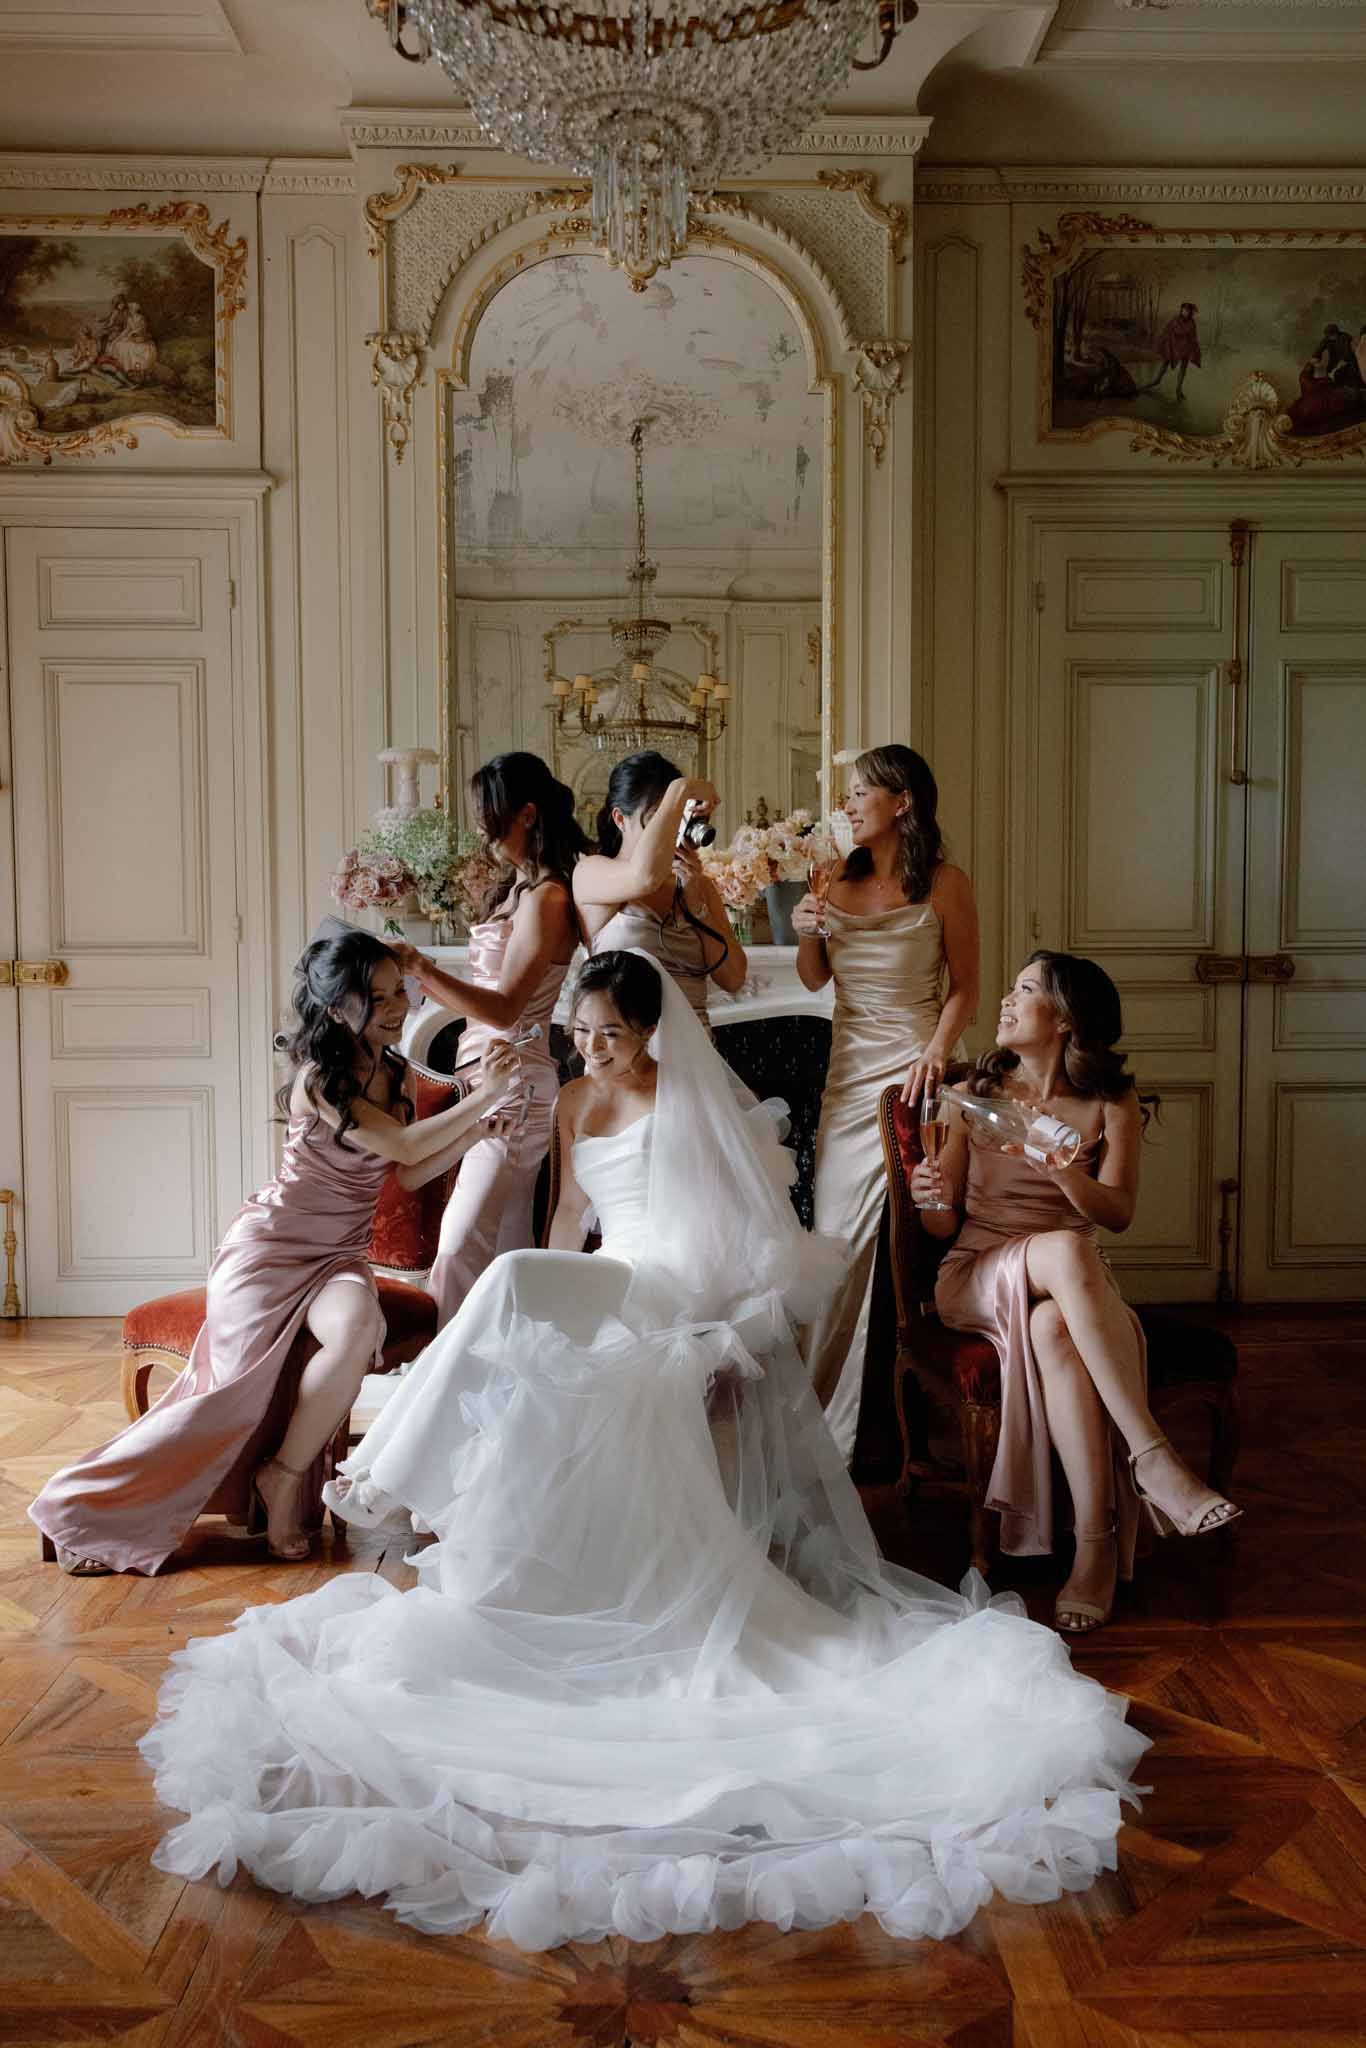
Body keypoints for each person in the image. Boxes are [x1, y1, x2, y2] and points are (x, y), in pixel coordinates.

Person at [140, 949, 1149, 1952]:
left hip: (679, 1289)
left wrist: (725, 1333)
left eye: (608, 1034)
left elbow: (749, 1231)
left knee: (510, 1290)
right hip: (615, 1273)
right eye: (578, 1034)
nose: (590, 1048)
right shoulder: (577, 1101)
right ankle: (413, 1476)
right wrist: (577, 1286)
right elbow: (575, 1219)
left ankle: (392, 1462)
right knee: (522, 1287)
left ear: (650, 1030)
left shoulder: (691, 1098)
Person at [28, 932, 516, 1575]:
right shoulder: (319, 1080)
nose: (399, 1005)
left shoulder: (395, 1072)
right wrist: (479, 1096)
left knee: (356, 1330)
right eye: (379, 996)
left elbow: (414, 1171)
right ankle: (86, 1506)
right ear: (337, 1006)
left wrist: (480, 1129)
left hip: (338, 1255)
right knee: (224, 1391)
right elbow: (400, 1145)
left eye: (400, 990)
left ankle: (282, 1478)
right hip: (269, 1249)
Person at [920, 951, 1241, 1636]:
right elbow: (941, 1224)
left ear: (1064, 1020)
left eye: (1025, 990)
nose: (1005, 1000)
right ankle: (1153, 1457)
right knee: (1068, 1248)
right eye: (1009, 987)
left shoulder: (1110, 1101)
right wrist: (929, 1195)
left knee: (1053, 1331)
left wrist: (1062, 1173)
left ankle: (1093, 1550)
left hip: (1071, 1292)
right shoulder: (976, 1090)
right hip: (977, 1271)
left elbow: (1117, 1212)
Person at [792, 745, 980, 1461]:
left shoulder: (945, 884)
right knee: (838, 1239)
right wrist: (807, 928)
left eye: (859, 791)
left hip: (918, 1071)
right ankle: (828, 1422)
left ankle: (904, 1420)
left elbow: (966, 985)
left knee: (912, 1240)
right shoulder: (834, 876)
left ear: (902, 801)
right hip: (849, 1076)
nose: (847, 804)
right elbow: (813, 980)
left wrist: (936, 1051)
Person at [389, 752, 586, 1325]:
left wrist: (422, 968)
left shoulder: (549, 898)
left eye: (489, 814)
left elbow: (505, 1008)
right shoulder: (517, 892)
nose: (481, 828)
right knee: (505, 1242)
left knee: (457, 1241)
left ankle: (443, 1379)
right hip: (486, 1080)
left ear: (525, 814)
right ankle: (501, 1383)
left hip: (515, 1085)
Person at [573, 749, 747, 1022]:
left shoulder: (698, 884)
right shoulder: (590, 873)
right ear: (620, 819)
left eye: (676, 818)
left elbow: (734, 979)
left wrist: (696, 903)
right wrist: (681, 788)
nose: (669, 830)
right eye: (659, 817)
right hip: (621, 1055)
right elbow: (644, 877)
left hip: (694, 1050)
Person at [1144, 303, 1201, 398]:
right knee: (1165, 363)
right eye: (1183, 310)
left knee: (1183, 368)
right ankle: (1156, 381)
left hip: (1185, 348)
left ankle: (1178, 389)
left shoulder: (1192, 323)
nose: (1184, 312)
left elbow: (1193, 338)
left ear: (1190, 312)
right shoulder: (1175, 320)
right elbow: (1167, 331)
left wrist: (1194, 350)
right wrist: (1166, 343)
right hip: (1173, 346)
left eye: (1186, 311)